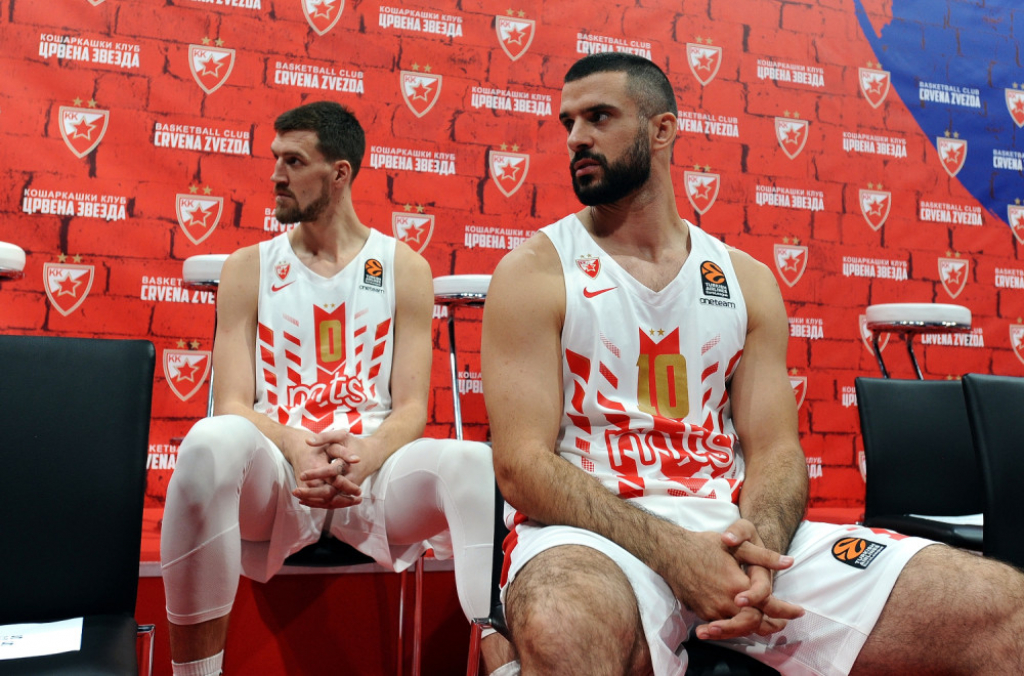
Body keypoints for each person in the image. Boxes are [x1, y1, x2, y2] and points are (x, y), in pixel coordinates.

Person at [481, 53, 1024, 675]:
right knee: (562, 628)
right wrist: (677, 555)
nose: (577, 138)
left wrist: (756, 554)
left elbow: (776, 452)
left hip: (734, 534)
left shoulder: (745, 280)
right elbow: (521, 465)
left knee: (1003, 606)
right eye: (568, 122)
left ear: (663, 130)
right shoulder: (534, 272)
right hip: (593, 537)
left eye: (599, 117)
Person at [161, 100, 508, 675]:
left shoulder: (404, 268)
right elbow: (232, 404)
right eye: (275, 159)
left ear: (340, 173)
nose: (275, 175)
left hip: (372, 476)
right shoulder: (248, 267)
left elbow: (412, 411)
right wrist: (296, 448)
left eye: (293, 161)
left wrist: (366, 454)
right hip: (276, 471)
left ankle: (504, 664)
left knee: (475, 462)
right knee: (208, 442)